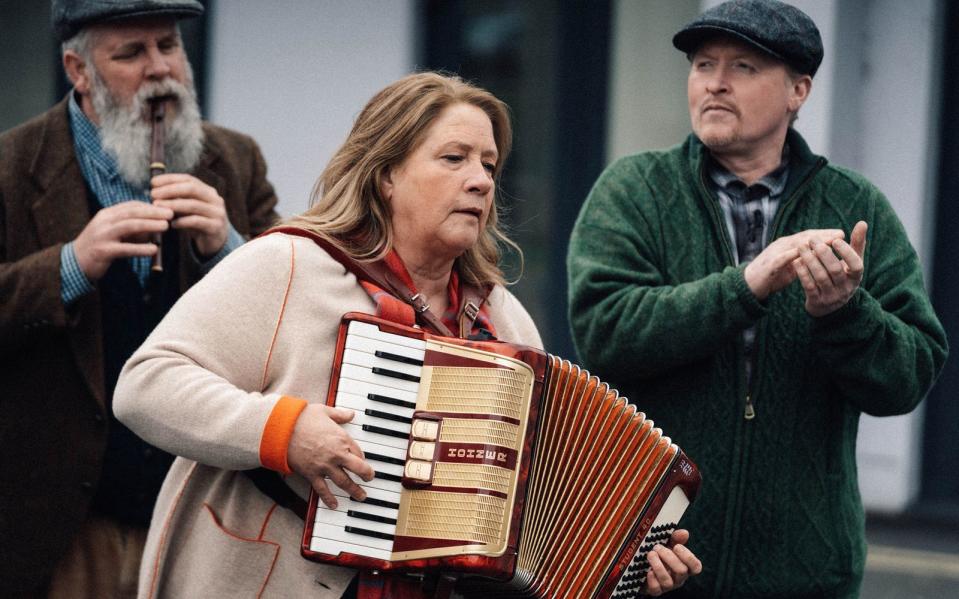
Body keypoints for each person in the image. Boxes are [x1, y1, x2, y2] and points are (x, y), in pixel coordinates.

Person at [111, 71, 699, 598]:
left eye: (489, 165)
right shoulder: (292, 265)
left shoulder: (505, 321)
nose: (480, 181)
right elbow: (145, 385)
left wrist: (624, 561)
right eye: (454, 158)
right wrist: (282, 430)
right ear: (387, 174)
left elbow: (532, 517)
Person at [567, 0, 948, 597]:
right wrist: (746, 286)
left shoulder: (858, 207)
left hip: (805, 572)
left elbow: (910, 376)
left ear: (798, 90)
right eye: (702, 65)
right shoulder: (635, 189)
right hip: (651, 560)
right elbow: (605, 334)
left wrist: (845, 314)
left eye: (743, 66)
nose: (714, 83)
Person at [0, 1, 280, 596]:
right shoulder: (10, 167)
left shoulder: (235, 161)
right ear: (79, 70)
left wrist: (230, 249)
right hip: (66, 528)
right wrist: (70, 265)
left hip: (198, 516)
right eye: (130, 53)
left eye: (168, 45)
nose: (160, 69)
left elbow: (293, 314)